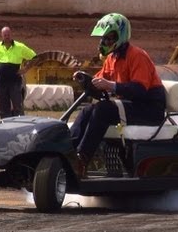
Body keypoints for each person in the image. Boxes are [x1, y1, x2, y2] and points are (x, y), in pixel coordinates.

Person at [70, 13, 166, 177]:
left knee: (103, 110)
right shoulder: (111, 58)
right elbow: (100, 80)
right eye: (103, 38)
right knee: (87, 110)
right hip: (131, 106)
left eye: (109, 38)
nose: (105, 42)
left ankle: (82, 160)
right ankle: (68, 151)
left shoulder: (137, 56)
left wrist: (111, 86)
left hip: (149, 108)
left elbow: (140, 90)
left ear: (120, 36)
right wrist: (85, 79)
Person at [0, 26, 36, 118]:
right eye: (5, 35)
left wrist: (25, 69)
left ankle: (20, 125)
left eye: (8, 34)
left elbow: (34, 57)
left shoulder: (20, 47)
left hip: (14, 82)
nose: (7, 36)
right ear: (2, 35)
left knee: (18, 107)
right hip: (1, 82)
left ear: (11, 34)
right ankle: (5, 127)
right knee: (3, 108)